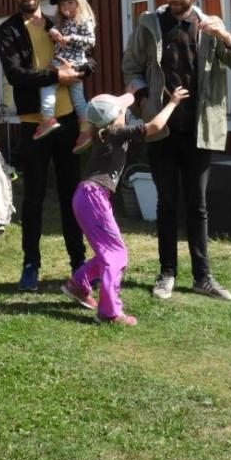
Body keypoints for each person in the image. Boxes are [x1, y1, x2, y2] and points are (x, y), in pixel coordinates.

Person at [121, 0, 231, 302]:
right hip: (162, 129)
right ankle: (166, 273)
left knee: (197, 205)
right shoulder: (149, 24)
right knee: (166, 203)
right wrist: (142, 100)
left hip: (200, 129)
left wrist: (225, 36)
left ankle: (203, 277)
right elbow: (131, 66)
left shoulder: (209, 27)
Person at [62, 86, 189, 326]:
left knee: (108, 250)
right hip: (94, 197)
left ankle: (78, 285)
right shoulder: (118, 132)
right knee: (115, 254)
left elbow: (116, 107)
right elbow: (154, 128)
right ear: (115, 117)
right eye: (122, 110)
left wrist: (128, 93)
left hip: (86, 196)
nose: (126, 111)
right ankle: (109, 312)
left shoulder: (102, 130)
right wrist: (172, 103)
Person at [0, 0, 87, 292]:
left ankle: (78, 263)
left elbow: (84, 55)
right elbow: (14, 73)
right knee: (33, 199)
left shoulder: (57, 22)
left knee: (70, 197)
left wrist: (84, 70)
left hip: (65, 123)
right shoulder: (8, 29)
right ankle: (31, 264)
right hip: (33, 124)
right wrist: (54, 76)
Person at [34, 0, 96, 155]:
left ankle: (47, 117)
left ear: (80, 2)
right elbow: (55, 29)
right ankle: (85, 128)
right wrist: (54, 31)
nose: (65, 7)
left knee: (48, 86)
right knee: (78, 98)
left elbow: (91, 41)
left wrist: (70, 39)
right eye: (62, 4)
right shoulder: (65, 21)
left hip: (72, 63)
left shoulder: (85, 21)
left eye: (70, 2)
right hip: (65, 61)